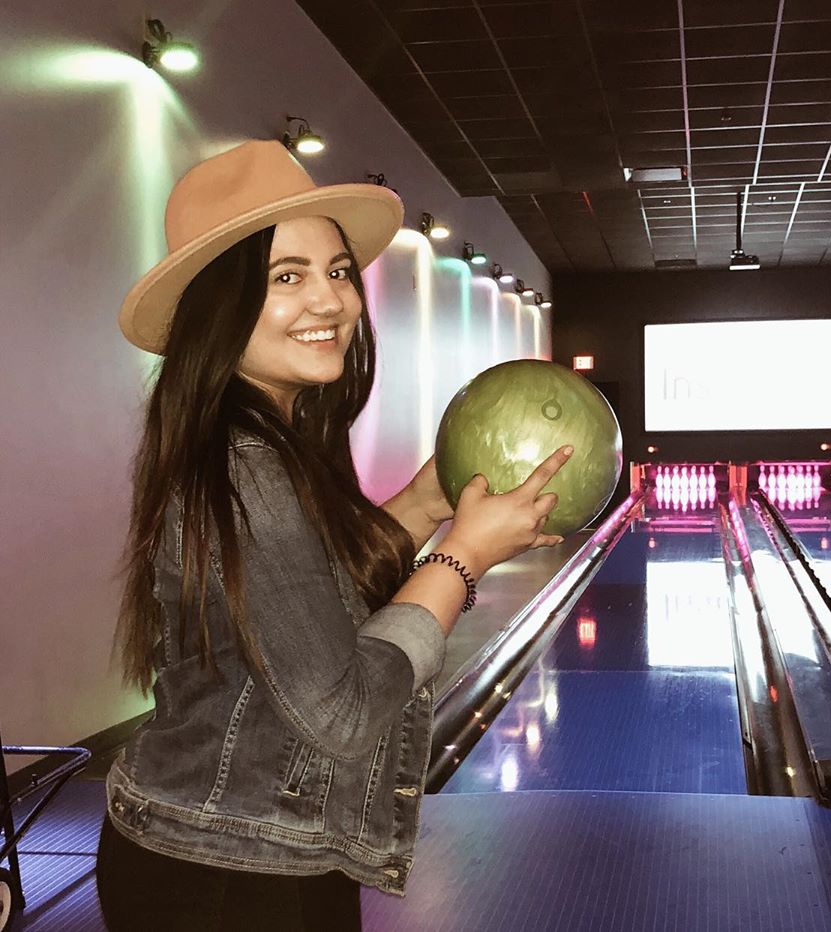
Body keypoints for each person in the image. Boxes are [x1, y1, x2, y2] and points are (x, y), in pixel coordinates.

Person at [95, 139, 571, 931]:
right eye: (287, 278)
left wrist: (422, 506)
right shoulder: (245, 460)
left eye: (338, 270)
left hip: (236, 848)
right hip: (223, 875)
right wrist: (466, 555)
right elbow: (343, 713)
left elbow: (300, 598)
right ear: (219, 305)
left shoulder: (257, 439)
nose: (332, 302)